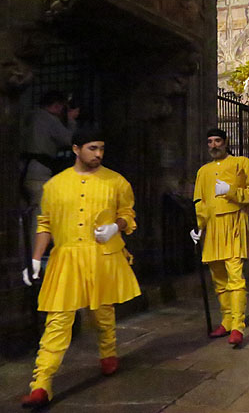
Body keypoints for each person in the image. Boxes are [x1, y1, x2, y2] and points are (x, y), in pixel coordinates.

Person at [20, 127, 140, 408]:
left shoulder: (116, 181)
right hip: (67, 259)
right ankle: (41, 383)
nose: (98, 154)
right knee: (58, 320)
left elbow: (127, 213)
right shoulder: (55, 185)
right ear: (76, 149)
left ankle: (108, 352)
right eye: (92, 148)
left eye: (101, 148)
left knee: (103, 312)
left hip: (102, 257)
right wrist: (36, 259)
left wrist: (115, 227)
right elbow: (45, 224)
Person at [190, 128, 249, 347]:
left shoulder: (241, 163)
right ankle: (227, 320)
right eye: (210, 142)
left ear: (225, 141)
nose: (214, 145)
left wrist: (230, 190)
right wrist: (198, 226)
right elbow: (200, 201)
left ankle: (238, 326)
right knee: (219, 279)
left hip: (234, 224)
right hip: (212, 228)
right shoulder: (203, 171)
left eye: (217, 141)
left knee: (235, 276)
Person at [22, 90, 79, 246]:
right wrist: (71, 121)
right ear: (56, 106)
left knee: (23, 216)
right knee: (39, 216)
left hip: (23, 169)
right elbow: (69, 140)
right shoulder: (48, 119)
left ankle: (22, 253)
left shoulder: (28, 116)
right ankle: (34, 255)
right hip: (39, 171)